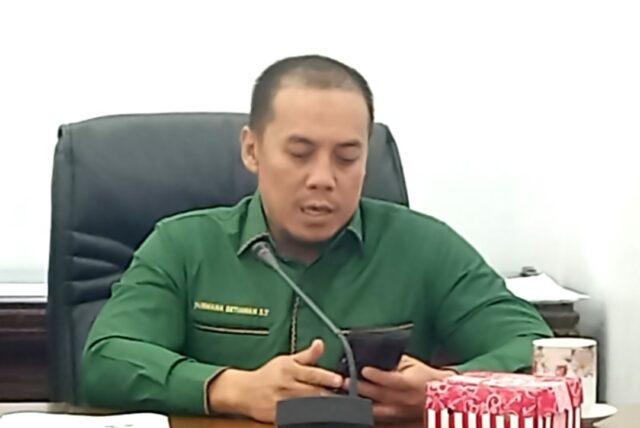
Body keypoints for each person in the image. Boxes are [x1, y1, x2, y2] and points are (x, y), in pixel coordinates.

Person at [80, 54, 552, 422]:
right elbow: (106, 361)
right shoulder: (183, 245)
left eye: (347, 158)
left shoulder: (425, 247)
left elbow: (535, 351)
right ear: (252, 149)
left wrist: (446, 389)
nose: (323, 178)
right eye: (300, 154)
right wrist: (231, 388)